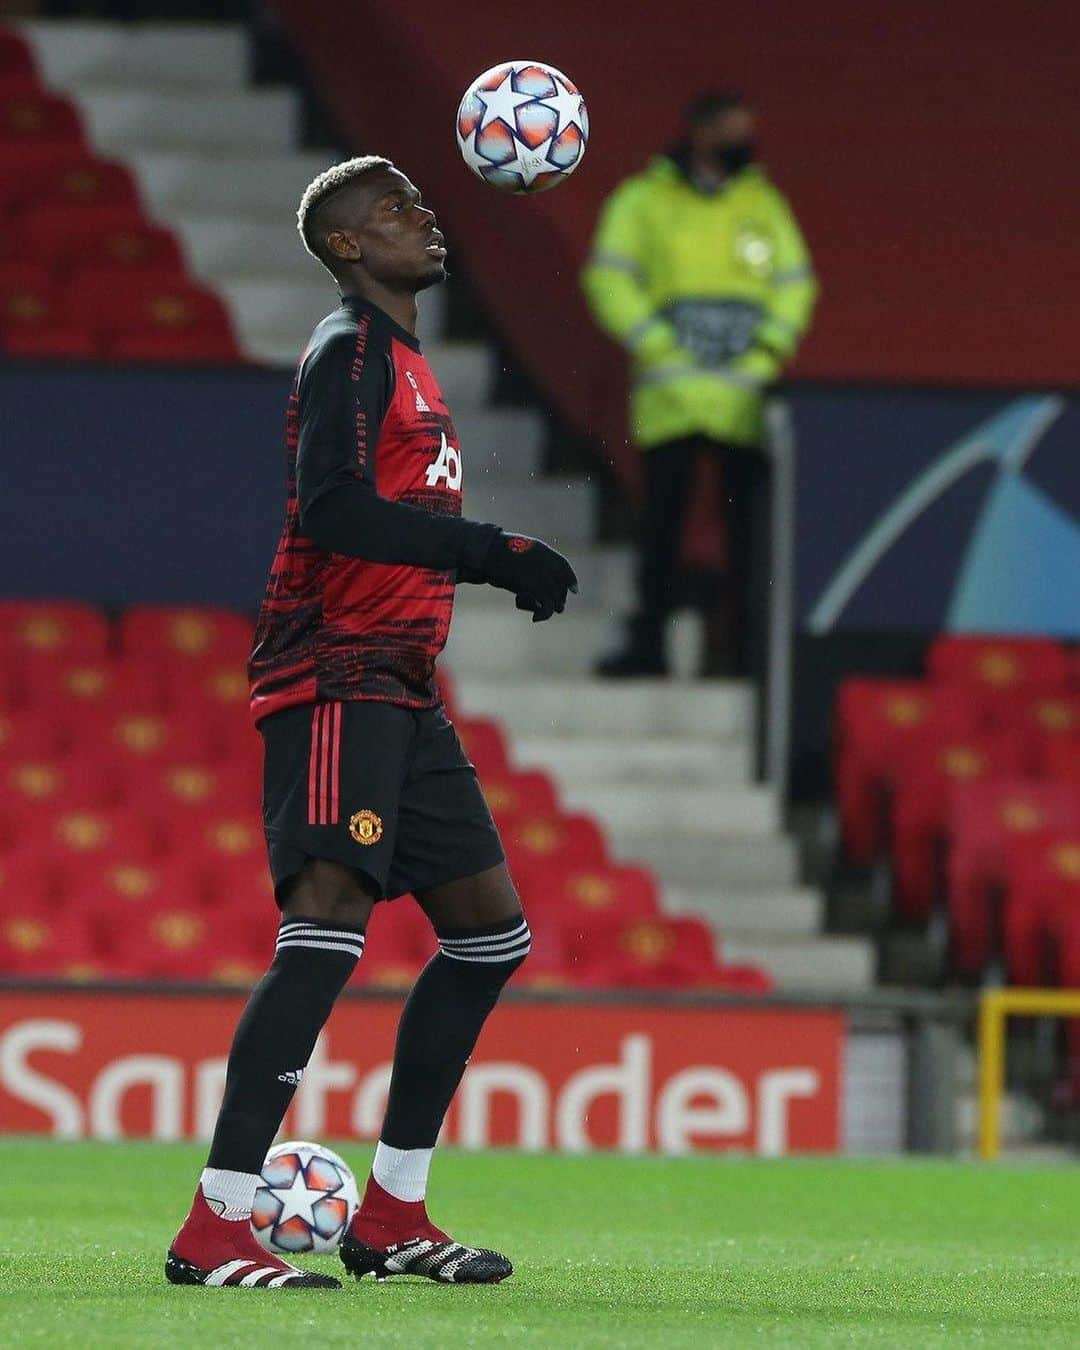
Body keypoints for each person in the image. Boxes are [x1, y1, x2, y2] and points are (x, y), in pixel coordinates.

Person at [166, 155, 577, 1290]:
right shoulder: (347, 349)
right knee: (326, 930)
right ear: (348, 245)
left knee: (492, 935)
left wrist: (481, 561)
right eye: (396, 211)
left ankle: (393, 1214)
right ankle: (215, 1225)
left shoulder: (403, 359)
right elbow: (339, 509)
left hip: (403, 679)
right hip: (335, 673)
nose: (423, 219)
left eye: (421, 204)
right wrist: (489, 549)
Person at [583, 89, 817, 679]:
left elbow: (796, 283)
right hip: (673, 400)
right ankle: (649, 648)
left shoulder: (763, 204)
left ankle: (743, 657)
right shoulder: (643, 202)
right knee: (659, 532)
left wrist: (769, 350)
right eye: (733, 131)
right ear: (700, 132)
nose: (744, 142)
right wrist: (658, 342)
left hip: (743, 401)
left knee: (748, 541)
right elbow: (608, 278)